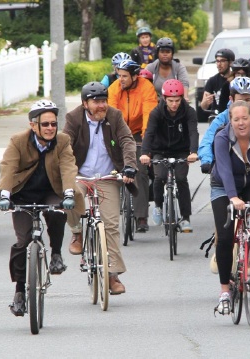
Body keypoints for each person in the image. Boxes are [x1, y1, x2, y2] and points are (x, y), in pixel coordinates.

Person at [0, 100, 83, 316]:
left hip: (50, 190)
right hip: (22, 193)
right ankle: (19, 292)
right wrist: (5, 194)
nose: (50, 128)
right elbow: (9, 167)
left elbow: (68, 167)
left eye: (53, 124)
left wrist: (68, 193)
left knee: (57, 212)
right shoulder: (18, 141)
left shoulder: (63, 141)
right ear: (33, 125)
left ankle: (56, 254)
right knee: (23, 241)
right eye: (45, 124)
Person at [64, 82, 138, 295]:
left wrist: (129, 167)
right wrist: (65, 173)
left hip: (107, 176)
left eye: (103, 101)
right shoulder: (74, 118)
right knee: (71, 197)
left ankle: (113, 275)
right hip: (79, 175)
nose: (101, 105)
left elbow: (126, 140)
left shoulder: (114, 116)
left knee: (112, 225)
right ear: (85, 103)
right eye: (96, 101)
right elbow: (65, 145)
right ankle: (77, 233)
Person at [210, 100, 250, 315]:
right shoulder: (222, 138)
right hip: (223, 186)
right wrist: (233, 198)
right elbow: (225, 170)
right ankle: (225, 291)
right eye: (236, 119)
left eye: (244, 118)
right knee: (226, 236)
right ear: (230, 120)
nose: (240, 123)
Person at [140, 79, 198, 232]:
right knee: (159, 177)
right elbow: (149, 133)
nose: (174, 104)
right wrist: (145, 153)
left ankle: (185, 217)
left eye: (177, 100)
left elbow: (193, 132)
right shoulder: (156, 112)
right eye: (171, 100)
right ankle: (158, 206)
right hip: (160, 150)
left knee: (181, 179)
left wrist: (193, 152)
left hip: (181, 150)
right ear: (164, 99)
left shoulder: (189, 112)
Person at [198, 76, 250, 176]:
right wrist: (206, 161)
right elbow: (207, 141)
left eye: (247, 100)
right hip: (228, 171)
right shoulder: (222, 118)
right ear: (231, 99)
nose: (243, 105)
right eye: (240, 100)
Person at [108, 59, 157, 232]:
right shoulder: (114, 88)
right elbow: (111, 115)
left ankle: (141, 216)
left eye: (124, 76)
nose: (120, 79)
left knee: (140, 171)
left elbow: (149, 116)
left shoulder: (146, 87)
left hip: (138, 132)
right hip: (118, 131)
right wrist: (114, 139)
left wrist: (146, 146)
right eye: (119, 75)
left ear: (135, 76)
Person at [200, 48, 235, 115]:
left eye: (222, 61)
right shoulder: (212, 81)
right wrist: (206, 102)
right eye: (217, 61)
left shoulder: (235, 79)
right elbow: (203, 106)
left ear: (230, 62)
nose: (219, 64)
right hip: (217, 116)